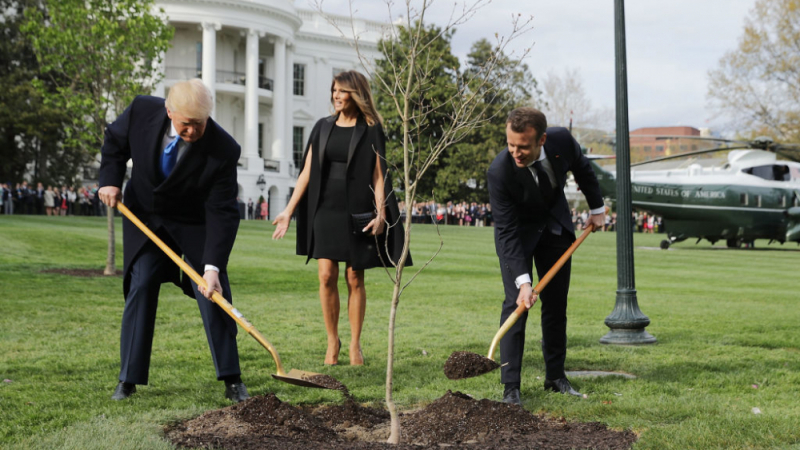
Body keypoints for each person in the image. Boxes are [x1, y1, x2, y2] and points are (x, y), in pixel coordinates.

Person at [97, 79, 249, 403]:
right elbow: (114, 142)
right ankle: (128, 380)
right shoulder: (141, 111)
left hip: (194, 223)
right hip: (146, 218)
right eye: (185, 125)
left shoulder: (224, 149)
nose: (192, 132)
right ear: (169, 111)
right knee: (142, 283)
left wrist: (212, 268)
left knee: (213, 292)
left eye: (199, 125)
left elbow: (222, 211)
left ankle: (232, 379)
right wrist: (110, 180)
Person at [272, 70, 408, 366]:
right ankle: (333, 341)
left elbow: (378, 173)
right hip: (324, 209)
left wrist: (381, 213)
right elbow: (307, 171)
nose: (336, 95)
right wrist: (288, 210)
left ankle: (355, 345)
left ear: (355, 94)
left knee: (354, 276)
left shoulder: (371, 128)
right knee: (325, 276)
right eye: (334, 90)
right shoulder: (322, 127)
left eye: (342, 91)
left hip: (357, 209)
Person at [487, 107, 605, 405]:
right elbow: (506, 231)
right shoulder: (499, 171)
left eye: (523, 146)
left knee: (555, 305)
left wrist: (597, 209)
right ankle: (511, 387)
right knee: (516, 302)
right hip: (519, 237)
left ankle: (555, 377)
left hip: (554, 227)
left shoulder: (561, 141)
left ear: (541, 139)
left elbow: (583, 169)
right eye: (511, 144)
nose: (515, 151)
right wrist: (524, 282)